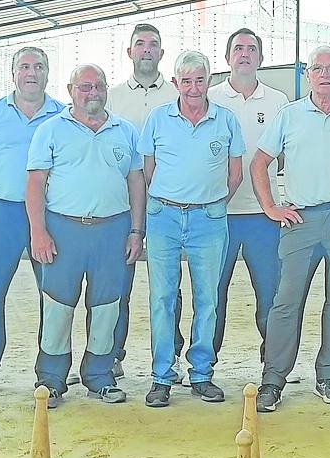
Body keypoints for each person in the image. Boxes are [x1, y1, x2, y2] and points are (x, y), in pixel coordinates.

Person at [250, 46, 330, 413]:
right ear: (308, 74)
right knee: (286, 301)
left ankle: (329, 375)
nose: (325, 74)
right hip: (300, 220)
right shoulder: (289, 116)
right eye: (318, 68)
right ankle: (273, 380)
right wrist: (271, 207)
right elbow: (259, 164)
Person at [25, 64, 145, 407]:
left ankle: (100, 376)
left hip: (113, 230)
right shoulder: (50, 130)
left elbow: (136, 182)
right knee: (58, 306)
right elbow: (35, 182)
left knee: (108, 306)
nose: (93, 93)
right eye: (85, 87)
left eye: (99, 86)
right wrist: (38, 231)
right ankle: (51, 378)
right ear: (70, 89)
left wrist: (136, 231)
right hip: (63, 230)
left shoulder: (125, 130)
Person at [139, 51, 244, 408]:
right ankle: (162, 376)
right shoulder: (157, 119)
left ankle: (201, 373)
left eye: (200, 80)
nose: (193, 87)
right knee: (163, 298)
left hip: (209, 219)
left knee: (207, 299)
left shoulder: (226, 120)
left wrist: (208, 202)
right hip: (164, 217)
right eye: (186, 81)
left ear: (209, 81)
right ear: (175, 83)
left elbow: (235, 173)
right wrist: (176, 199)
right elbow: (148, 169)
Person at [0, 46, 63, 394]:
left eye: (39, 66)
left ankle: (52, 366)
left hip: (49, 215)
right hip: (2, 212)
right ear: (13, 73)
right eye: (24, 66)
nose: (31, 72)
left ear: (48, 73)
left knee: (53, 291)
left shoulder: (62, 116)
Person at [208, 28, 291, 369]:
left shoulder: (278, 101)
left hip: (262, 216)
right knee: (211, 296)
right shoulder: (209, 97)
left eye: (251, 49)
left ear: (260, 58)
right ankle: (204, 364)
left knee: (271, 295)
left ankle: (273, 366)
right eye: (238, 48)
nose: (244, 54)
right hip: (217, 214)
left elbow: (287, 156)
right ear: (227, 57)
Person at [102, 23, 179, 383]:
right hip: (123, 206)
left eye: (153, 45)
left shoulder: (177, 96)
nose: (147, 50)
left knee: (169, 286)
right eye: (140, 44)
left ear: (161, 54)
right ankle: (113, 354)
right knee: (120, 283)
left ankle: (171, 356)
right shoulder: (112, 96)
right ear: (129, 52)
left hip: (168, 205)